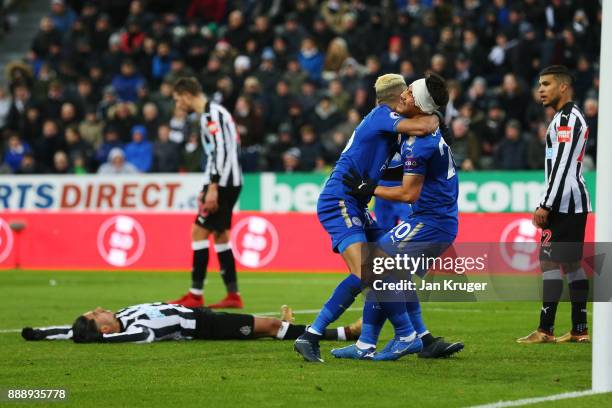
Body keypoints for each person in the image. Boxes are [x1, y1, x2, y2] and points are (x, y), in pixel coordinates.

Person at [293, 73, 441, 363]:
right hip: (339, 200)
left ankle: (421, 338)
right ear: (398, 98)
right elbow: (423, 127)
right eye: (407, 93)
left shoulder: (385, 127)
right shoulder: (381, 116)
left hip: (356, 204)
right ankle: (310, 335)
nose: (409, 97)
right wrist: (433, 114)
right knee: (366, 271)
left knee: (392, 266)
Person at [337, 74, 463, 361]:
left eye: (408, 93)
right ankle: (405, 341)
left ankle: (397, 339)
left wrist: (370, 188)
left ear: (418, 103)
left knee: (377, 265)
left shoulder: (420, 143)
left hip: (431, 222)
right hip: (434, 220)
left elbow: (408, 193)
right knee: (393, 274)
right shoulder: (420, 134)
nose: (402, 97)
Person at [518, 65, 592, 344]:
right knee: (572, 264)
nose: (541, 90)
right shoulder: (565, 117)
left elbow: (562, 166)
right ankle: (579, 329)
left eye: (546, 84)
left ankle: (545, 329)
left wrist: (545, 204)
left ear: (563, 87)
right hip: (573, 202)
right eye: (539, 84)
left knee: (548, 261)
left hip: (564, 203)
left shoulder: (567, 120)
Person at [169, 77, 244, 309]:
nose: (177, 104)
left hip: (222, 182)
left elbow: (221, 149)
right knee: (220, 235)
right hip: (225, 180)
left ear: (186, 95)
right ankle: (233, 295)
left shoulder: (212, 114)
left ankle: (195, 293)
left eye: (177, 99)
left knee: (198, 232)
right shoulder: (213, 113)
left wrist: (212, 187)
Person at [21, 304, 361, 344]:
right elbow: (145, 337)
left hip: (199, 314)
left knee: (272, 326)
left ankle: (292, 327)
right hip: (205, 326)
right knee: (270, 327)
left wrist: (38, 333)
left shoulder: (121, 318)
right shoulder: (136, 330)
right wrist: (102, 341)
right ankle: (345, 333)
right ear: (106, 330)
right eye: (96, 317)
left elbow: (69, 332)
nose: (98, 309)